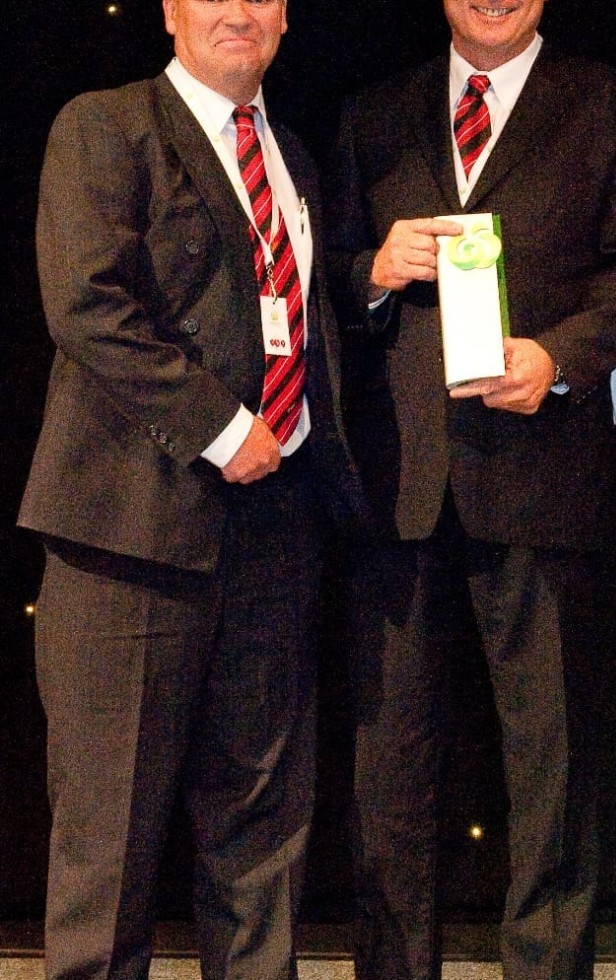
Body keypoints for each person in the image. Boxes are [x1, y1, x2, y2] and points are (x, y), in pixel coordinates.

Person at [323, 1, 616, 976]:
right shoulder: (370, 114)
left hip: (545, 482)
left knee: (552, 769)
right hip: (398, 492)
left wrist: (556, 358)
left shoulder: (614, 107)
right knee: (387, 772)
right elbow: (315, 275)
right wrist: (371, 271)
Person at [18, 1, 363, 977]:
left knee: (263, 838)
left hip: (274, 533)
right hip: (129, 535)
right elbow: (86, 299)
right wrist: (220, 429)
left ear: (288, 17)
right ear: (171, 11)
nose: (237, 11)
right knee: (109, 840)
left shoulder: (290, 152)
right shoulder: (104, 124)